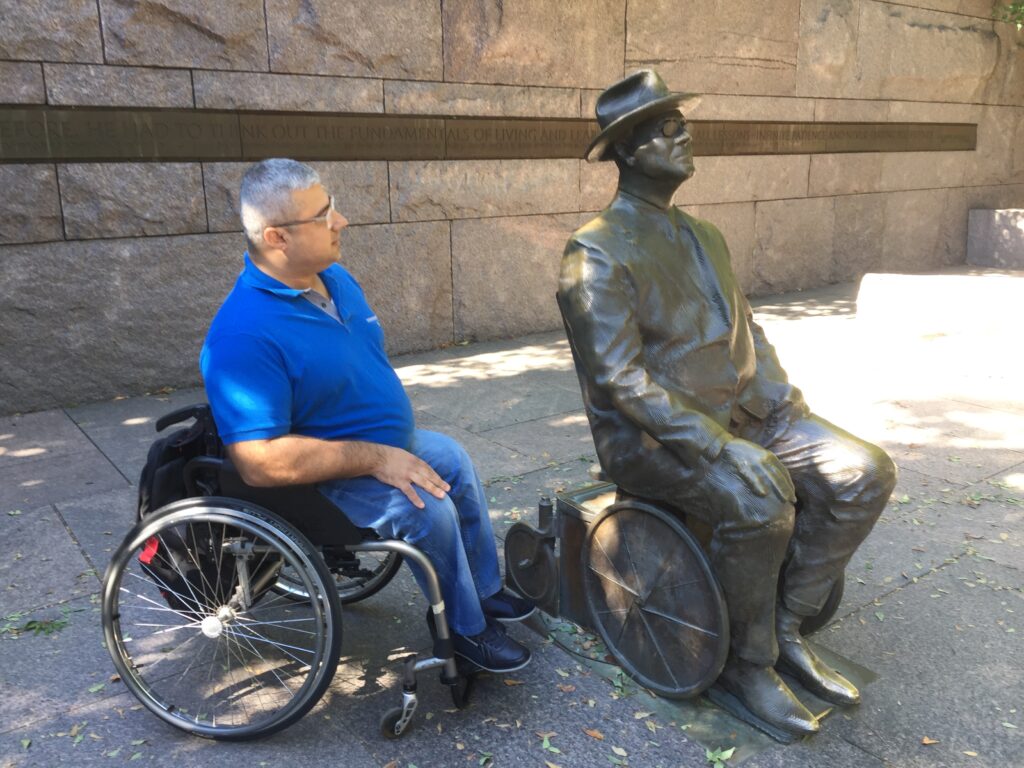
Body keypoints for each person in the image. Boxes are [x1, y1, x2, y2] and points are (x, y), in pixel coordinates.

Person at [559, 71, 897, 737]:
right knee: (760, 501)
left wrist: (779, 400)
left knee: (865, 470)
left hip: (750, 415)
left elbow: (748, 329)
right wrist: (720, 446)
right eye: (666, 128)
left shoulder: (705, 235)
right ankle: (749, 665)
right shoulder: (593, 252)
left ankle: (785, 624)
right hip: (654, 441)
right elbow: (620, 382)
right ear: (627, 150)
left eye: (682, 123)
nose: (685, 135)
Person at [200, 158, 534, 673]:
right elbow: (259, 463)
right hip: (322, 476)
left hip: (377, 447)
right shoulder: (243, 333)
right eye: (324, 213)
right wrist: (376, 458)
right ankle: (466, 631)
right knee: (428, 507)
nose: (342, 220)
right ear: (276, 238)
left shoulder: (334, 280)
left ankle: (484, 594)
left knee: (454, 460)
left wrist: (385, 447)